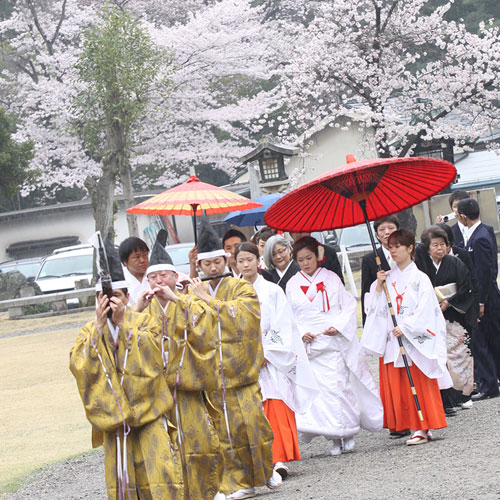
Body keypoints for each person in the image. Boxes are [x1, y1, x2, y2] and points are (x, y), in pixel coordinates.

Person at [70, 235, 183, 499]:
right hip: (115, 419)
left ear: (127, 295)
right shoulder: (89, 330)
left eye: (116, 296)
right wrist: (100, 328)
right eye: (103, 297)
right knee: (123, 483)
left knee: (162, 475)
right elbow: (79, 366)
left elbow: (158, 356)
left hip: (150, 412)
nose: (110, 303)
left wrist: (124, 325)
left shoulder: (143, 321)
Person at [191, 216, 279, 499]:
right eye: (207, 264)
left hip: (241, 373)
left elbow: (245, 318)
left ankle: (261, 474)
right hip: (214, 377)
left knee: (252, 426)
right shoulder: (193, 295)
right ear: (199, 266)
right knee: (221, 432)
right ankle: (233, 482)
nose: (213, 268)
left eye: (217, 261)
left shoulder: (240, 287)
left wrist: (209, 301)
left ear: (226, 260)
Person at [135, 230, 224, 500]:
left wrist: (177, 299)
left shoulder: (188, 303)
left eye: (163, 276)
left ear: (175, 277)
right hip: (156, 392)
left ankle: (205, 490)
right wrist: (136, 311)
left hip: (187, 387)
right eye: (152, 277)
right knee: (163, 448)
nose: (158, 281)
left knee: (200, 442)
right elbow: (125, 342)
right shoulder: (142, 310)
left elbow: (208, 327)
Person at [286, 236, 383, 456]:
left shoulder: (331, 278)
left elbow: (348, 306)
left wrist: (337, 326)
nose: (305, 263)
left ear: (318, 256)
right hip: (310, 346)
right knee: (319, 395)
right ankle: (333, 437)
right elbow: (289, 316)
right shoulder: (292, 284)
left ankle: (347, 433)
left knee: (338, 389)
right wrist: (301, 333)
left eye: (309, 258)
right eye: (300, 260)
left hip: (331, 342)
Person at [235, 241, 319, 479]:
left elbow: (283, 324)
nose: (245, 264)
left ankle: (279, 457)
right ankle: (259, 460)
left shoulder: (272, 290)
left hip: (271, 359)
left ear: (258, 260)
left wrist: (266, 352)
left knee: (277, 405)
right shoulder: (233, 292)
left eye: (249, 259)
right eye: (240, 261)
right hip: (246, 360)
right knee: (253, 409)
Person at [362, 229, 450, 446]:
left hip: (413, 337)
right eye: (390, 247)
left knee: (418, 382)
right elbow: (374, 309)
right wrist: (379, 287)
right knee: (402, 385)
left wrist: (408, 327)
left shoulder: (420, 278)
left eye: (397, 246)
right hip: (395, 338)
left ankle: (423, 425)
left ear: (410, 248)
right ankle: (415, 425)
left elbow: (427, 310)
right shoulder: (387, 277)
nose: (392, 251)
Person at [416, 226, 475, 414]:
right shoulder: (422, 267)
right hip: (433, 316)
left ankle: (463, 395)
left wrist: (449, 302)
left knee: (459, 353)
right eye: (435, 245)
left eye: (443, 244)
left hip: (454, 313)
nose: (440, 249)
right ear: (427, 248)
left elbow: (466, 286)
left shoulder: (455, 263)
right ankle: (446, 398)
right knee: (440, 356)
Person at [457, 198, 500, 400]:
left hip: (486, 298)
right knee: (488, 339)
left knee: (482, 340)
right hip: (485, 297)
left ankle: (489, 384)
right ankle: (490, 381)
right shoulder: (477, 234)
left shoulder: (480, 237)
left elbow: (484, 272)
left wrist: (481, 301)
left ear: (463, 216)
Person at [361, 216, 400, 325]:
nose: (387, 232)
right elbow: (366, 292)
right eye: (382, 230)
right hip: (383, 316)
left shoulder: (410, 254)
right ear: (377, 235)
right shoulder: (369, 260)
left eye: (391, 228)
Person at [119, 236, 150, 305]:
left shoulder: (155, 275)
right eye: (137, 257)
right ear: (125, 262)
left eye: (145, 255)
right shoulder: (120, 282)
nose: (142, 260)